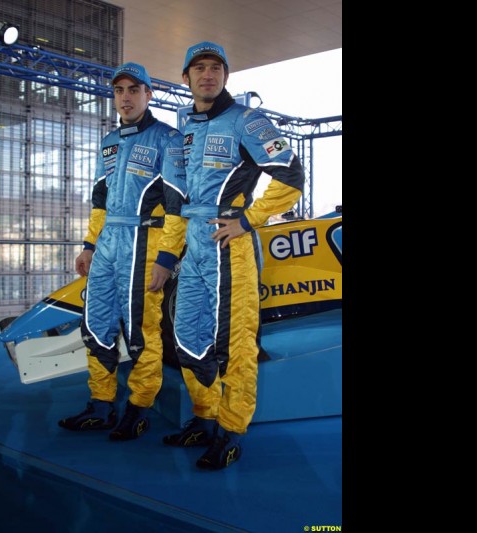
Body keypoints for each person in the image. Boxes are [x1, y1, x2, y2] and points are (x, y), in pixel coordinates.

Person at [163, 42, 305, 469]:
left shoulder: (247, 120)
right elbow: (178, 196)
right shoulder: (186, 126)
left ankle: (230, 430)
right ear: (186, 77)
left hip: (229, 245)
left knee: (234, 344)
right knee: (187, 338)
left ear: (226, 76)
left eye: (216, 68)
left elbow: (292, 174)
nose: (208, 75)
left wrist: (248, 220)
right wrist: (169, 254)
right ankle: (204, 418)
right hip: (194, 245)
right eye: (199, 68)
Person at [58, 62, 187, 441]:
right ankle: (100, 405)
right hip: (108, 245)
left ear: (149, 94)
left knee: (141, 333)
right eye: (119, 91)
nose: (126, 97)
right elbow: (100, 199)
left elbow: (178, 204)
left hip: (145, 245)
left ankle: (139, 409)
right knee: (95, 327)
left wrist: (167, 258)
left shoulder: (170, 139)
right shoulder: (109, 141)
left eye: (134, 90)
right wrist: (88, 245)